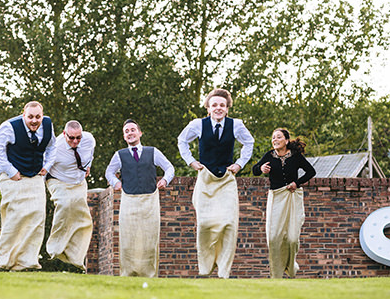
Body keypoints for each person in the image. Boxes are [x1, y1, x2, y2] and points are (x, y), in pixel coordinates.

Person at [177, 88, 254, 279]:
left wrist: (239, 164)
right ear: (208, 108)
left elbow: (249, 143)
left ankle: (223, 270)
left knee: (228, 223)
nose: (218, 108)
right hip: (205, 178)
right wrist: (191, 162)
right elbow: (181, 141)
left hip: (227, 179)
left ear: (227, 109)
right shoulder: (197, 124)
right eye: (214, 105)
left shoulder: (236, 125)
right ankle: (205, 267)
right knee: (204, 224)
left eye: (222, 105)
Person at [0, 101, 56, 271]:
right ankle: (4, 262)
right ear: (23, 115)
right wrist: (11, 171)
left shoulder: (48, 125)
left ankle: (27, 261)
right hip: (12, 176)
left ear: (42, 115)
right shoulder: (9, 127)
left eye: (38, 117)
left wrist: (47, 166)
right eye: (30, 117)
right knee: (16, 216)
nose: (34, 120)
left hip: (35, 175)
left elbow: (52, 146)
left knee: (37, 216)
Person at [105, 119, 174, 278]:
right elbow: (109, 171)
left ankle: (150, 275)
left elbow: (169, 168)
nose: (130, 133)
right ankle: (127, 274)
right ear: (124, 136)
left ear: (140, 133)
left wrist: (164, 180)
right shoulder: (120, 155)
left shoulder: (153, 152)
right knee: (128, 238)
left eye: (132, 130)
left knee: (149, 239)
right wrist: (115, 182)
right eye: (126, 131)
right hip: (129, 200)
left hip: (150, 200)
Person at [252, 128, 316, 279]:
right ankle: (276, 275)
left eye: (278, 137)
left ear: (286, 141)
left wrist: (297, 183)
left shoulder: (295, 156)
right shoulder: (269, 155)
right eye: (273, 137)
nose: (275, 140)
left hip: (292, 196)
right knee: (274, 238)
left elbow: (311, 172)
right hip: (276, 198)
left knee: (292, 239)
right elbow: (255, 170)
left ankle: (291, 265)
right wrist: (261, 168)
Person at [42, 120, 95, 271]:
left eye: (78, 137)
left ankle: (75, 256)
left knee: (83, 217)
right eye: (71, 138)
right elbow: (44, 168)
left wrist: (88, 166)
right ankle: (54, 248)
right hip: (57, 180)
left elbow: (90, 153)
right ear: (64, 134)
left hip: (78, 182)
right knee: (65, 205)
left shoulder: (89, 139)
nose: (75, 141)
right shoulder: (55, 147)